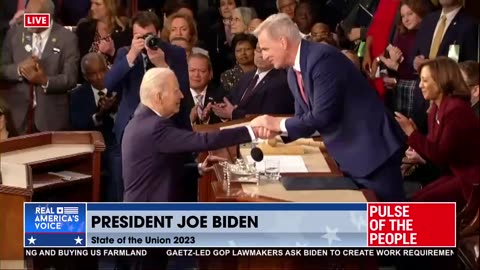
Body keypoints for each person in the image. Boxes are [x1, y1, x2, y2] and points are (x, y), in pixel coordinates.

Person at [251, 13, 406, 201]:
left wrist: (276, 123)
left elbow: (322, 116)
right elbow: (304, 119)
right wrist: (277, 133)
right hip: (349, 156)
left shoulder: (322, 59)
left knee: (392, 223)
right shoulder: (293, 72)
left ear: (283, 42)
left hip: (373, 153)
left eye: (266, 48)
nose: (264, 55)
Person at [122, 67, 272, 203]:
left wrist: (198, 168)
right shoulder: (154, 127)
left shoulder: (141, 121)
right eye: (176, 91)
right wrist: (252, 130)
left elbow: (160, 168)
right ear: (159, 96)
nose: (181, 95)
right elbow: (204, 140)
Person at [395, 57, 480, 207]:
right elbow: (433, 148)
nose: (420, 85)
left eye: (425, 80)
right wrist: (415, 135)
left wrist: (411, 133)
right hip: (453, 174)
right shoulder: (436, 108)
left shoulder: (457, 110)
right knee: (413, 201)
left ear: (440, 81)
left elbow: (440, 155)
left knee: (417, 205)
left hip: (469, 181)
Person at [0, 0, 79, 134]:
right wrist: (20, 69)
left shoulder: (67, 39)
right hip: (18, 118)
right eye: (27, 14)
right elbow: (2, 69)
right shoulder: (14, 34)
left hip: (52, 119)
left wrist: (45, 81)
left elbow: (70, 78)